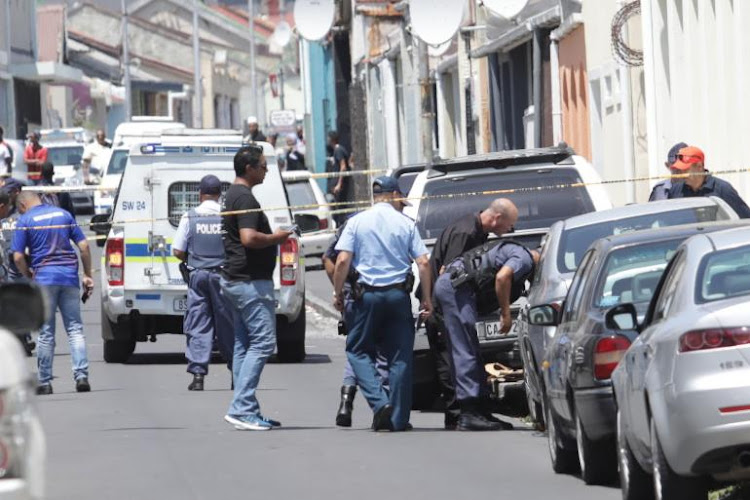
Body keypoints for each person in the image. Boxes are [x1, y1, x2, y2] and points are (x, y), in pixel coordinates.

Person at [332, 176, 432, 431]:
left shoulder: (356, 222)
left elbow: (342, 260)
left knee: (357, 350)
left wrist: (338, 293)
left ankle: (379, 402)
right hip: (398, 296)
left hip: (367, 297)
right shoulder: (405, 223)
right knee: (400, 358)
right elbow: (423, 263)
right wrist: (427, 298)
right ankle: (399, 419)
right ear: (395, 195)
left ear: (375, 196)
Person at [425, 198, 519, 430]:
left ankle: (475, 412)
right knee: (455, 358)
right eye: (509, 225)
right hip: (444, 304)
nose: (510, 231)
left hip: (455, 301)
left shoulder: (476, 230)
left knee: (466, 353)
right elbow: (449, 272)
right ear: (497, 218)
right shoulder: (466, 232)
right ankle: (461, 414)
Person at [221, 145, 293, 431]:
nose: (266, 170)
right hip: (249, 281)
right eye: (263, 166)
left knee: (244, 345)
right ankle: (241, 408)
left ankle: (245, 409)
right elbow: (249, 238)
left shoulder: (233, 195)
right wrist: (278, 237)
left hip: (238, 280)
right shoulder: (244, 198)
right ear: (249, 167)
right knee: (263, 343)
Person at [433, 239, 539, 431]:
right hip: (456, 288)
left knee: (471, 349)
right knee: (464, 349)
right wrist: (506, 315)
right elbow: (502, 277)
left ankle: (480, 411)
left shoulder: (514, 251)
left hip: (455, 285)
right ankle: (469, 413)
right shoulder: (525, 259)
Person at [12, 191, 94, 395]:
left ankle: (45, 382)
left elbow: (17, 257)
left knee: (46, 333)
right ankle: (82, 376)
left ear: (22, 205)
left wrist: (28, 274)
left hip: (44, 281)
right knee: (75, 329)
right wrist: (88, 274)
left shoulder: (25, 220)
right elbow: (84, 246)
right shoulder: (63, 214)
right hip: (69, 277)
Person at [324, 217, 389, 428]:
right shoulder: (376, 226)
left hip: (352, 297)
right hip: (369, 295)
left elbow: (328, 259)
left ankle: (346, 401)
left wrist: (339, 289)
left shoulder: (352, 224)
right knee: (379, 350)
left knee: (357, 349)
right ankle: (383, 406)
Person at [172, 175, 235, 391]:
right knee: (228, 324)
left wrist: (194, 259)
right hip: (223, 277)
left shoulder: (190, 217)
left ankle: (198, 375)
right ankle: (236, 372)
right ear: (220, 194)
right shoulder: (227, 217)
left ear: (200, 193)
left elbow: (177, 251)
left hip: (198, 276)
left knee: (198, 323)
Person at [667, 145, 750, 218]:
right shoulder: (675, 191)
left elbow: (745, 219)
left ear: (699, 166)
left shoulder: (723, 189)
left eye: (685, 169)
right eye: (680, 170)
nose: (682, 173)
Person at [326, 131, 352, 226]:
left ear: (332, 139)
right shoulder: (338, 150)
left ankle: (341, 226)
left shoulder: (338, 150)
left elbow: (343, 166)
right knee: (338, 207)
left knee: (340, 207)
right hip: (337, 183)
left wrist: (339, 184)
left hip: (339, 185)